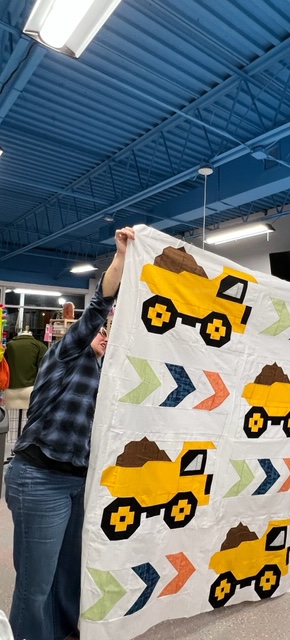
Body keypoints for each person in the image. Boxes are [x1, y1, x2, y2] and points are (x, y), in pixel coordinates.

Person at [4, 227, 135, 640]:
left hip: (77, 482)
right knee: (35, 585)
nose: (103, 335)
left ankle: (64, 632)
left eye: (107, 333)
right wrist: (121, 258)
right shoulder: (65, 355)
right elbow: (98, 309)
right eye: (99, 331)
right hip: (39, 477)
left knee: (68, 573)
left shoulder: (104, 374)